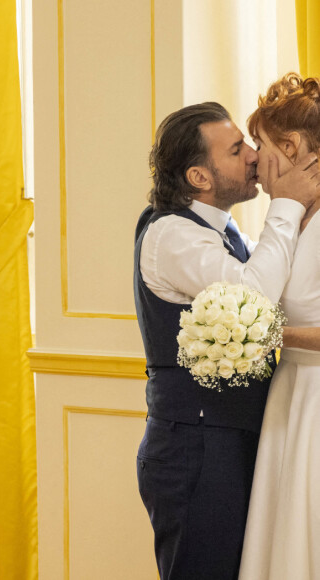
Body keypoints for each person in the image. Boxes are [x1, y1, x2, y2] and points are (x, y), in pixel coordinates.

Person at [134, 101, 320, 580]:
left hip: (241, 436)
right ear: (200, 177)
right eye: (238, 150)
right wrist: (288, 203)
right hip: (195, 449)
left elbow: (277, 288)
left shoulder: (228, 232)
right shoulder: (172, 235)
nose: (254, 158)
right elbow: (255, 296)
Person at [238, 73, 320, 580]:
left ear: (289, 146)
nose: (254, 159)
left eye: (261, 146)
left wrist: (266, 334)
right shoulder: (294, 216)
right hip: (290, 393)